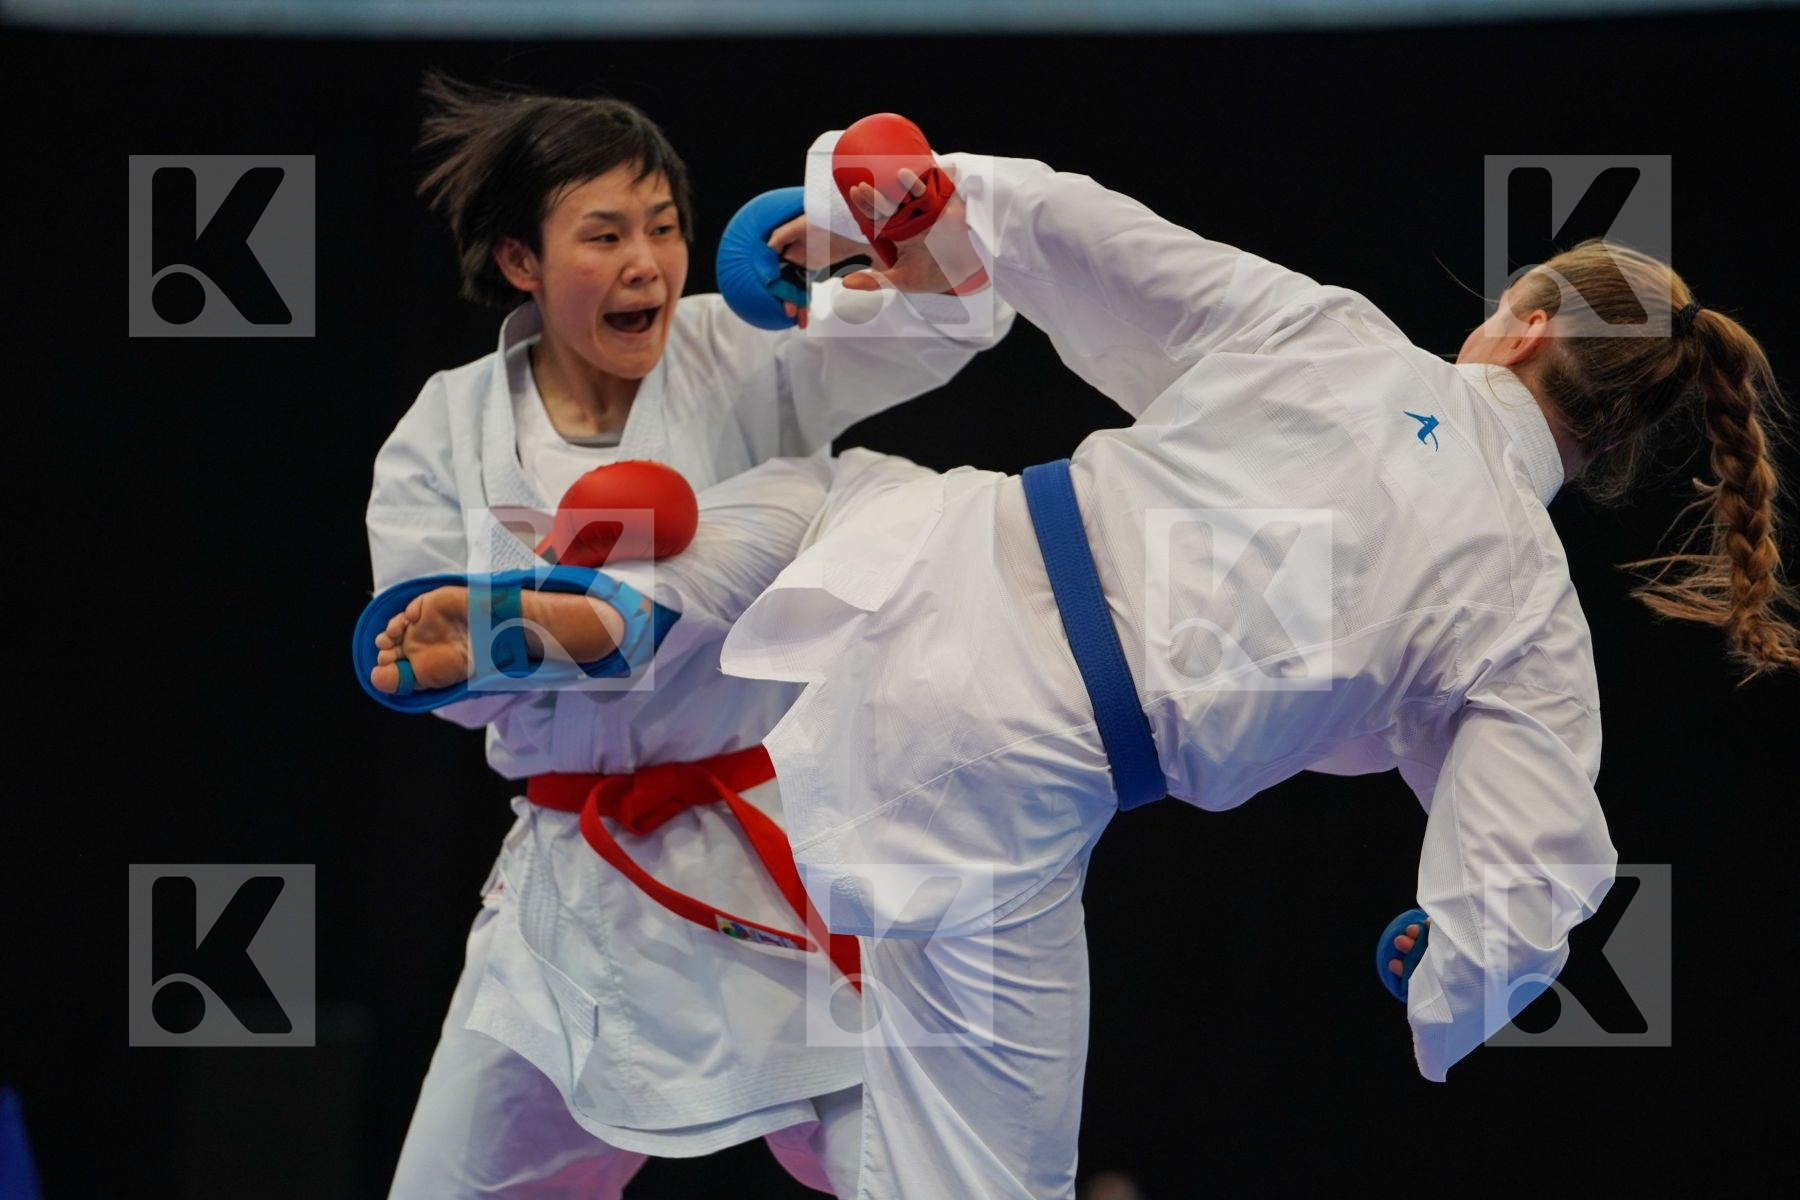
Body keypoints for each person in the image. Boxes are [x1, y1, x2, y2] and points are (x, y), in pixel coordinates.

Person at [370, 134, 1795, 1199]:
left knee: (823, 494)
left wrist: (906, 206)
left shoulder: (1343, 342)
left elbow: (1091, 240)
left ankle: (625, 610)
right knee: (983, 1173)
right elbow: (1536, 846)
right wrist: (1460, 966)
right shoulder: (1526, 609)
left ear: (1526, 323)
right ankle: (627, 609)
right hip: (1008, 790)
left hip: (938, 558)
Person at [367, 76, 1013, 1198]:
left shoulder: (740, 347)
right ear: (521, 261)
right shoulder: (448, 423)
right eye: (605, 234)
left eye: (664, 229)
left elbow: (957, 319)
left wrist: (873, 223)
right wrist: (470, 658)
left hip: (767, 852)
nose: (646, 264)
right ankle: (561, 628)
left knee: (916, 1174)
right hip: (570, 888)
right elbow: (427, 662)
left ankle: (585, 624)